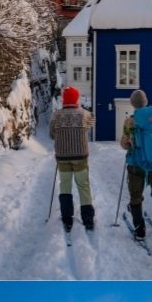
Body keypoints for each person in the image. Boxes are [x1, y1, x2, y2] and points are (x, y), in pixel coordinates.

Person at [121, 88, 152, 239]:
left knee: (136, 195)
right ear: (145, 101)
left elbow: (124, 143)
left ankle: (140, 230)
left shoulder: (130, 121)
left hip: (136, 162)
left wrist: (129, 145)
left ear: (133, 104)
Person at [48, 87, 95, 233]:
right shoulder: (84, 114)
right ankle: (88, 219)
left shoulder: (56, 115)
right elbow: (91, 123)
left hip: (62, 157)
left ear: (63, 99)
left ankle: (67, 218)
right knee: (83, 186)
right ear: (76, 99)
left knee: (65, 185)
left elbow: (51, 134)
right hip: (80, 156)